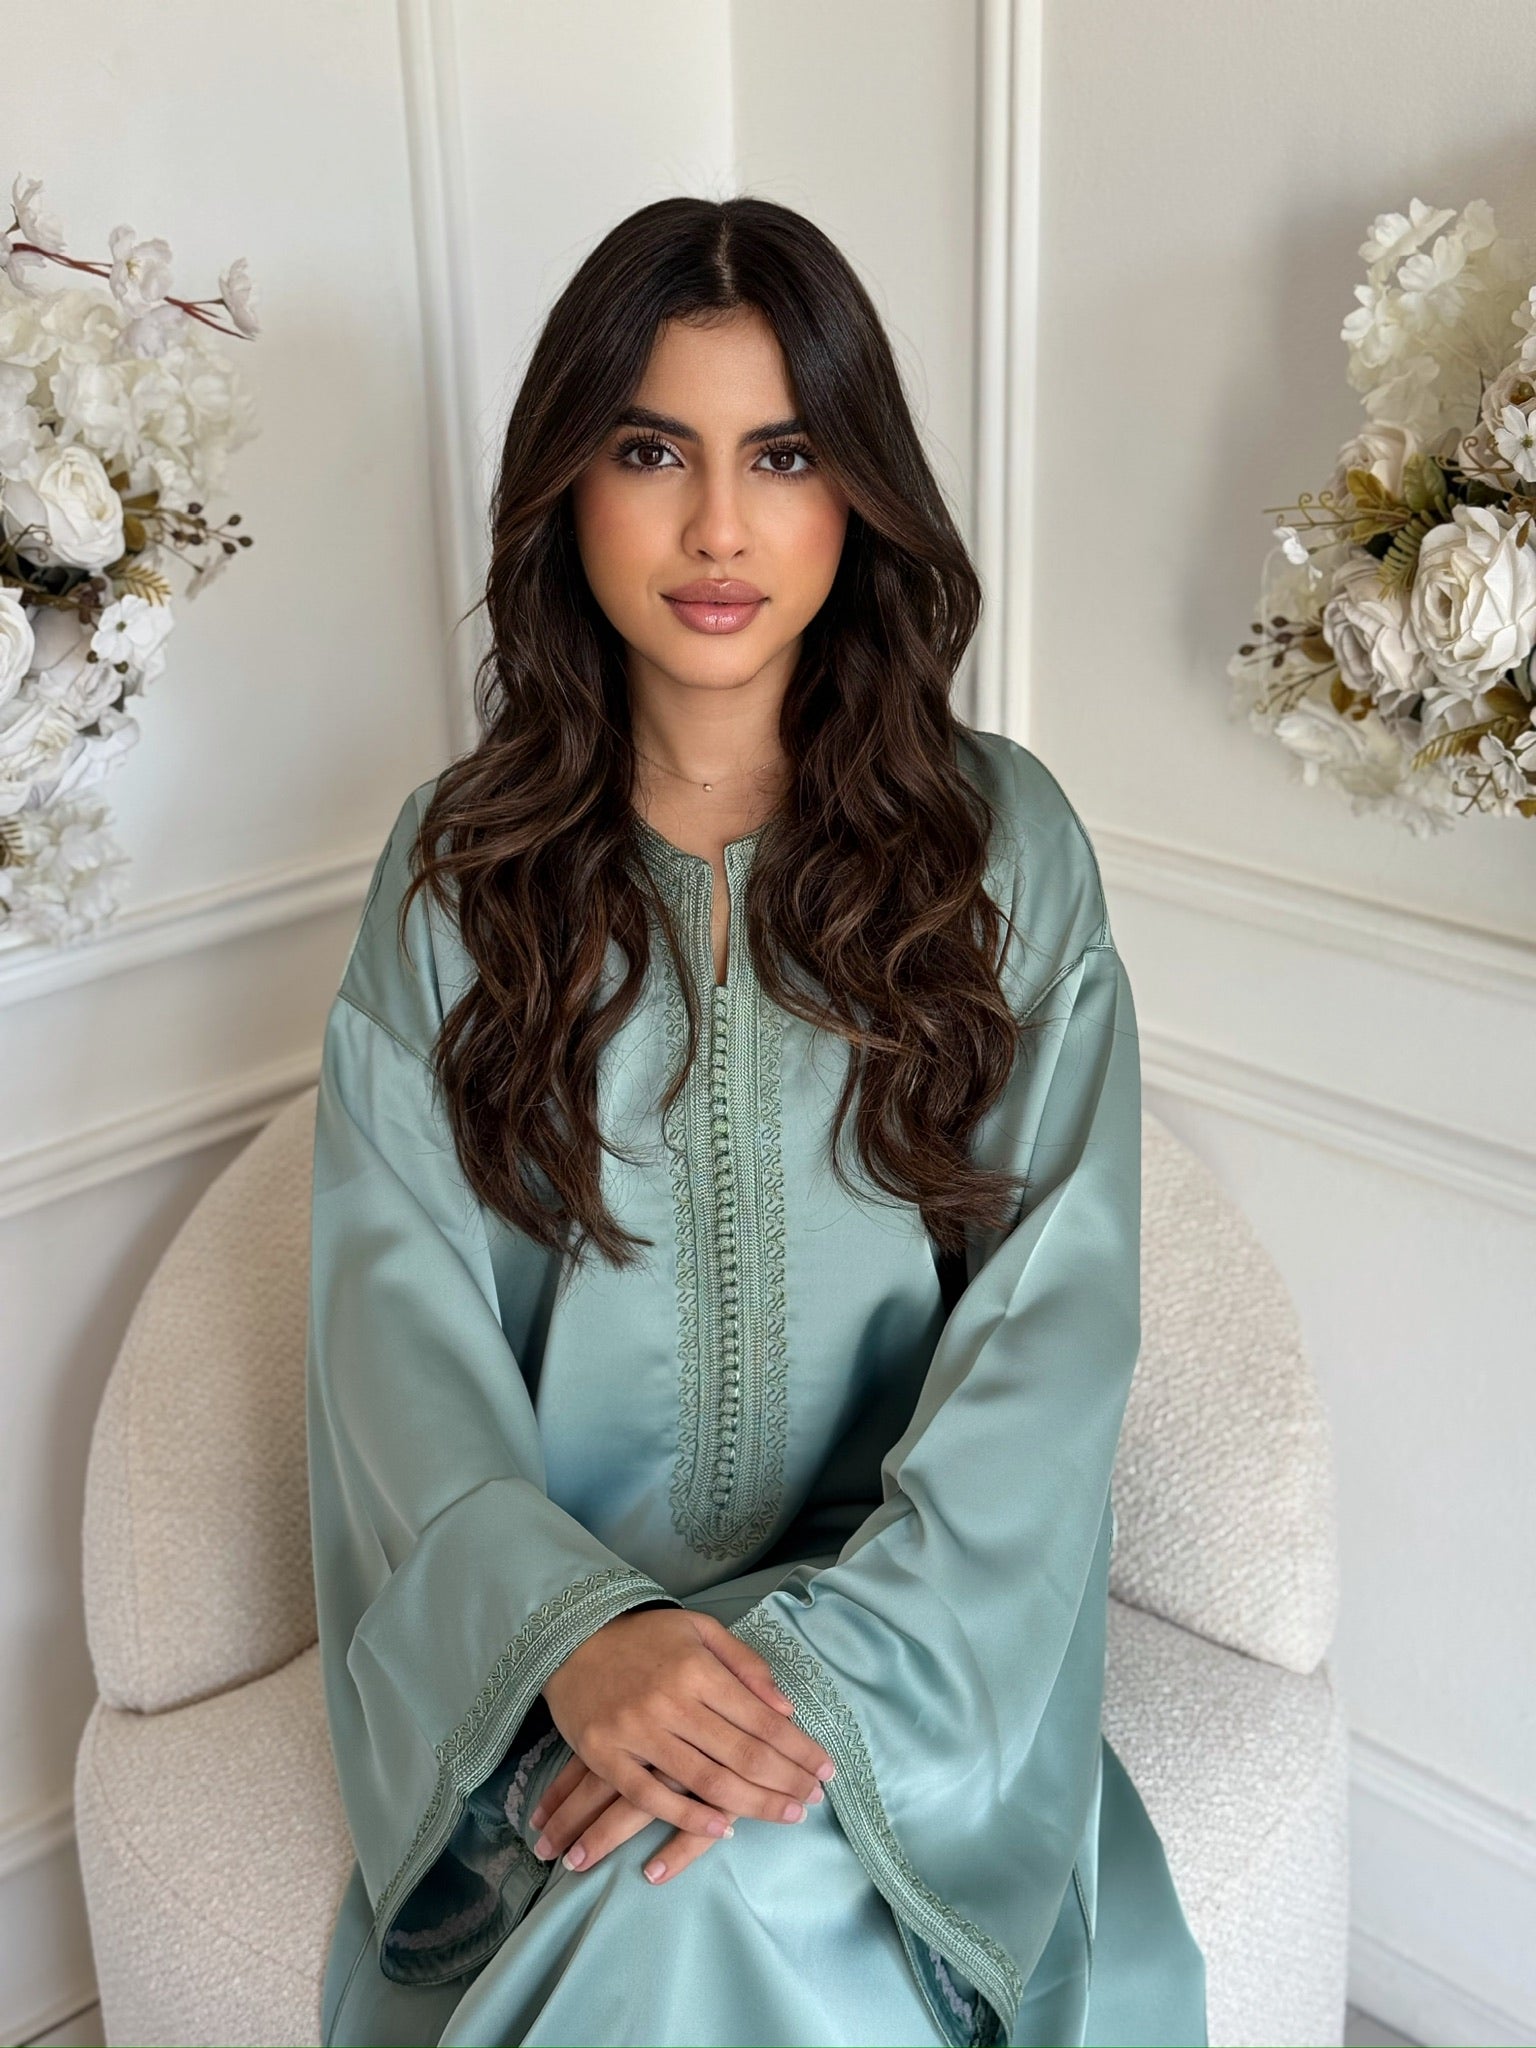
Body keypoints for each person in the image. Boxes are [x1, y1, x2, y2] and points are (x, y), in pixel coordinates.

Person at [305, 193, 1207, 2048]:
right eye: (653, 450)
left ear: (855, 493)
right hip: (551, 1651)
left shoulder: (998, 848)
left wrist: (808, 1679)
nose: (720, 528)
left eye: (783, 453)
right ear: (569, 486)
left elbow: (1055, 1323)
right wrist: (571, 1639)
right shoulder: (457, 872)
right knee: (658, 1881)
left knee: (693, 1890)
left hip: (906, 1670)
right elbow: (392, 1325)